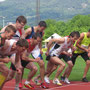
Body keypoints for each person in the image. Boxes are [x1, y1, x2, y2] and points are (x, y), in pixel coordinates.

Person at [17, 21, 47, 89]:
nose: (43, 30)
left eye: (44, 29)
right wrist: (22, 48)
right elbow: (22, 38)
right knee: (21, 66)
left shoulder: (42, 33)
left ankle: (42, 82)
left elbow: (40, 41)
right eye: (42, 28)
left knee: (41, 63)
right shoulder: (30, 30)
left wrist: (40, 49)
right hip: (26, 46)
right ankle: (20, 82)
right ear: (38, 26)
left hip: (34, 48)